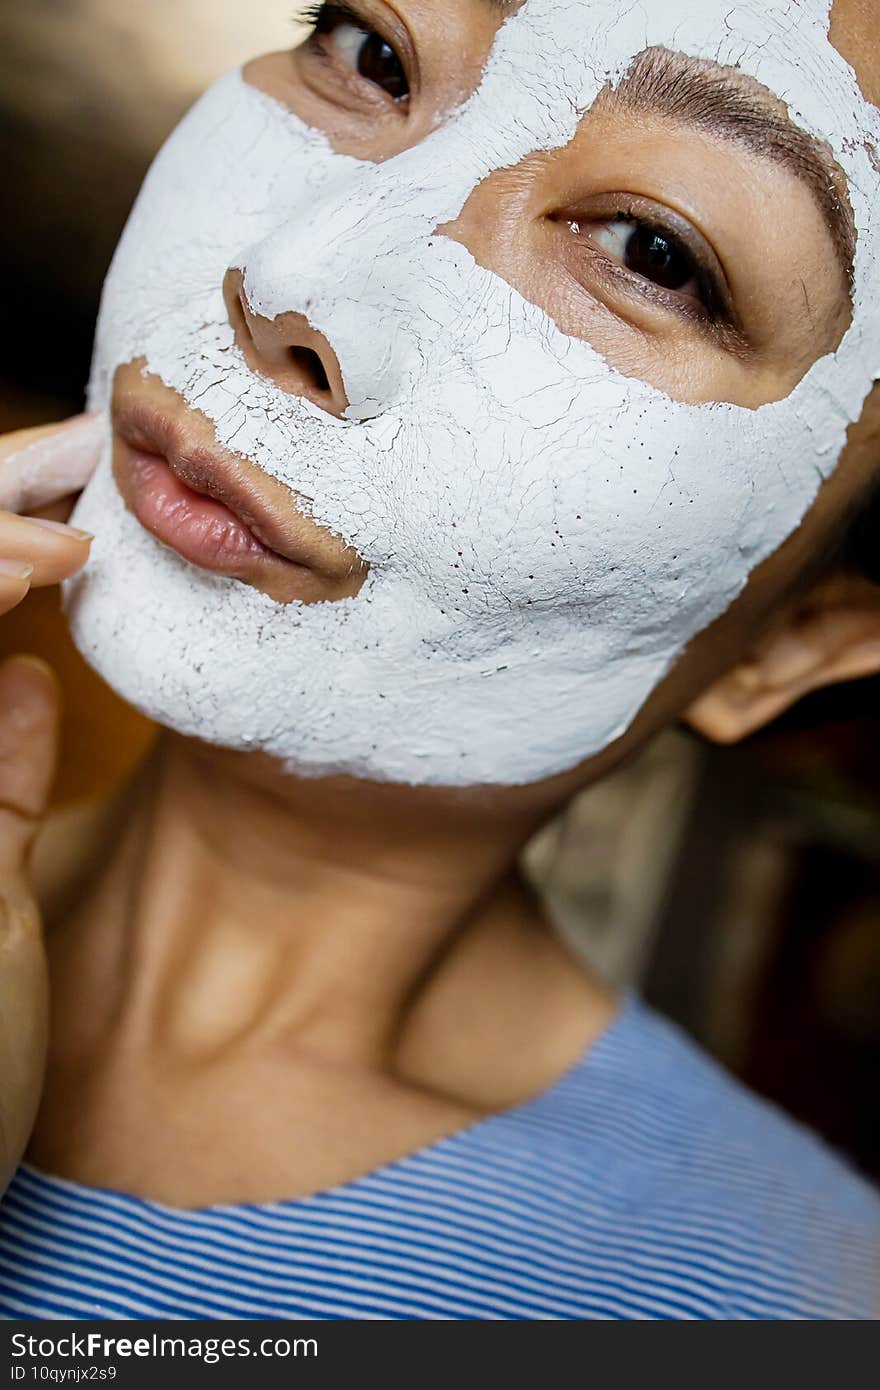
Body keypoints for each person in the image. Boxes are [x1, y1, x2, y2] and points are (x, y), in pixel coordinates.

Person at [0, 0, 878, 1320]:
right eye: (373, 52)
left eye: (655, 253)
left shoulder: (790, 1298)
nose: (294, 279)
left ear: (797, 644)